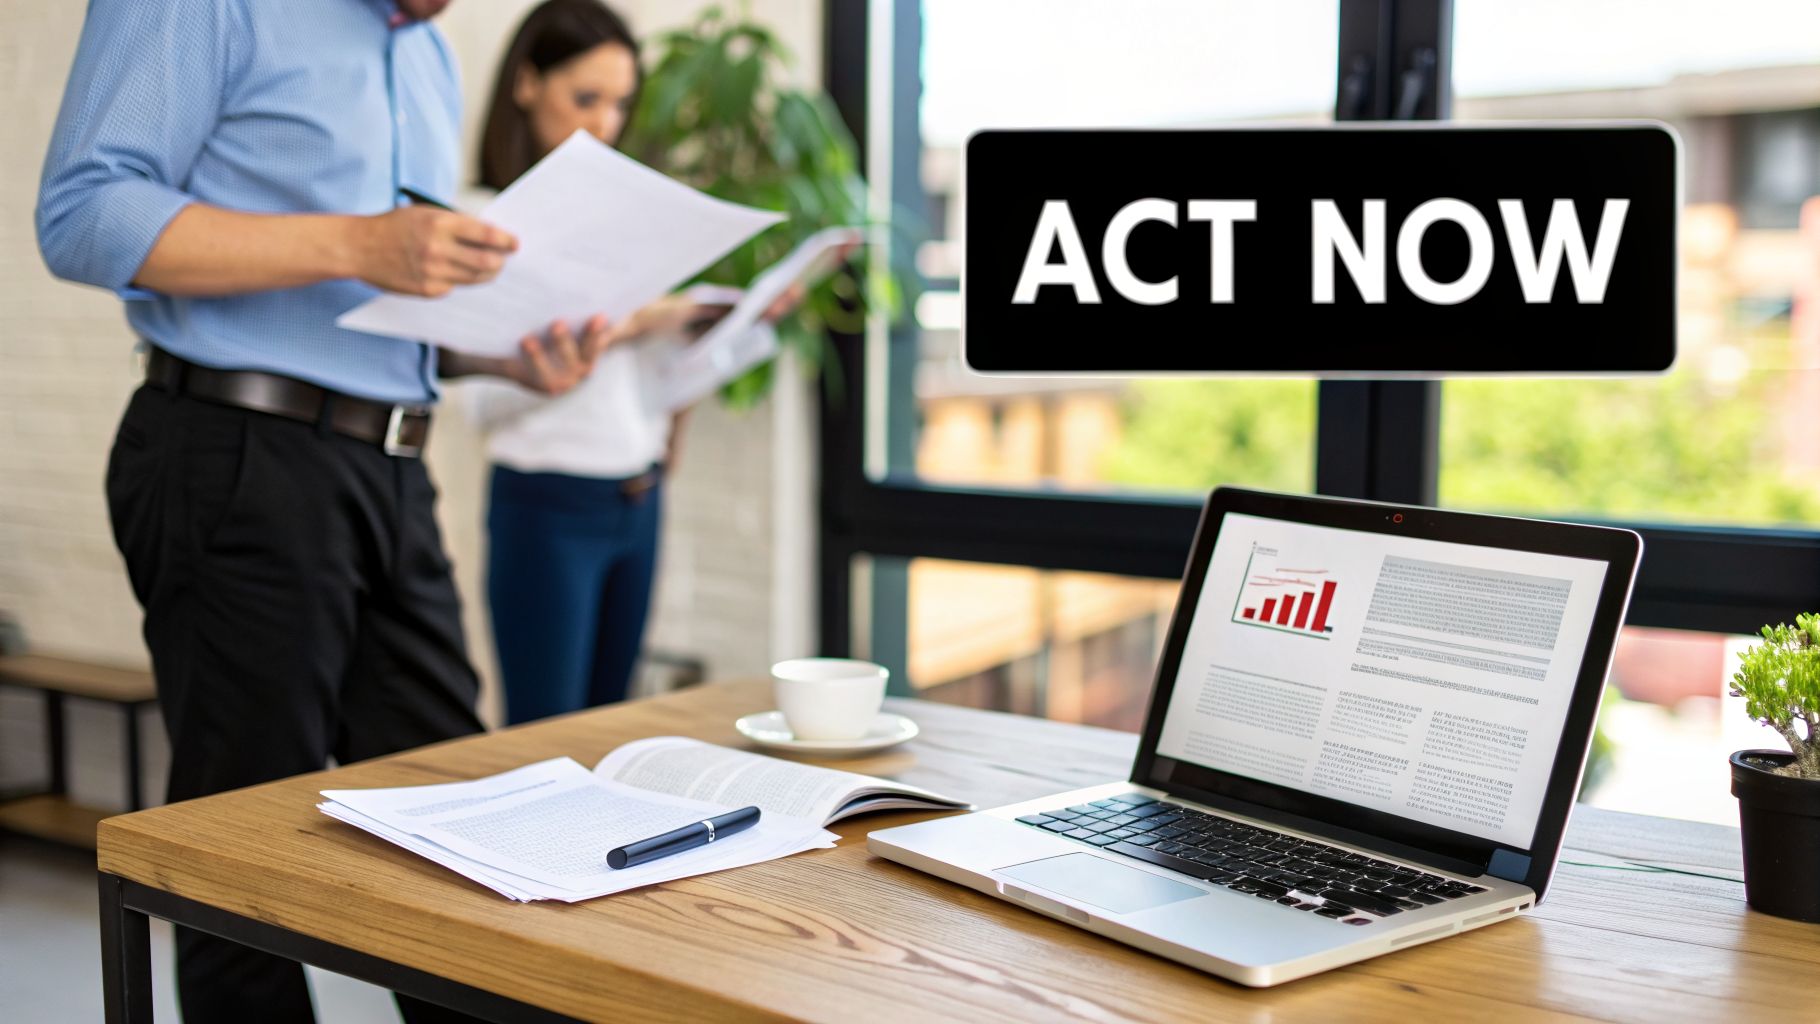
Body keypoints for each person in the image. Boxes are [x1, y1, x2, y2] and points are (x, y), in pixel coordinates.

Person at [35, 1, 609, 1021]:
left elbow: (386, 300)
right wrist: (356, 241)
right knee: (241, 853)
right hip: (237, 449)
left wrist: (502, 354)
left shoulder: (423, 48)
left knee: (461, 826)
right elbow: (82, 214)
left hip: (392, 465)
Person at [463, 0, 801, 724]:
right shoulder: (483, 221)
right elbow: (482, 404)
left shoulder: (622, 227)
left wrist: (728, 330)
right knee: (544, 737)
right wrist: (631, 323)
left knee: (611, 728)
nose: (606, 125)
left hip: (638, 499)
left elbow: (645, 393)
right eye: (585, 98)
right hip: (547, 507)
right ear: (526, 83)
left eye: (620, 103)